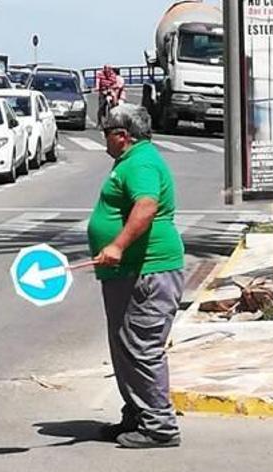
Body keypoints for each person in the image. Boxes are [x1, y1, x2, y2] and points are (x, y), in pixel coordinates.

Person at [88, 104, 185, 449]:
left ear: (123, 135)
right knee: (124, 347)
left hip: (149, 272)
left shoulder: (141, 162)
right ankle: (138, 414)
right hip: (129, 273)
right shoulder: (131, 161)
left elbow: (146, 205)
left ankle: (159, 427)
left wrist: (117, 245)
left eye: (106, 133)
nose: (104, 140)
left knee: (142, 348)